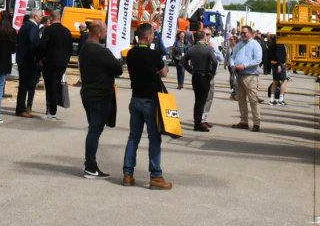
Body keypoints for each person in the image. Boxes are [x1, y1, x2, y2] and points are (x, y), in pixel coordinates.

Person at [122, 21, 172, 189]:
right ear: (148, 36)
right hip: (150, 100)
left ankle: (128, 174)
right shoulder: (153, 55)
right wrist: (159, 69)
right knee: (154, 138)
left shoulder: (130, 53)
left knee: (133, 137)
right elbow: (164, 72)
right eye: (152, 34)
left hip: (135, 98)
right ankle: (156, 176)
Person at [78, 19, 123, 178]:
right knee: (94, 131)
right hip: (100, 96)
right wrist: (118, 58)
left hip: (88, 93)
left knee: (93, 129)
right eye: (104, 32)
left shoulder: (84, 49)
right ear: (98, 33)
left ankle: (91, 164)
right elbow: (118, 69)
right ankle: (90, 166)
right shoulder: (101, 51)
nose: (106, 35)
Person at [37, 14, 73, 119]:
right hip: (62, 63)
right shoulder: (67, 31)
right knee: (56, 85)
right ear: (60, 19)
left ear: (51, 19)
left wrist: (39, 58)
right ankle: (53, 111)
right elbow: (70, 49)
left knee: (50, 86)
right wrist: (66, 61)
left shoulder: (48, 30)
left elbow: (42, 46)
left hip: (50, 62)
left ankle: (51, 112)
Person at [183, 30, 217, 132]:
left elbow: (183, 61)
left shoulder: (191, 49)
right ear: (204, 38)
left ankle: (197, 122)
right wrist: (212, 73)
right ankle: (198, 124)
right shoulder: (208, 49)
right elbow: (215, 61)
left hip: (195, 76)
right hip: (205, 76)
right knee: (202, 101)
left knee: (198, 100)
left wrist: (191, 70)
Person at [230, 25, 262, 131]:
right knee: (241, 100)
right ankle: (244, 122)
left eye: (245, 33)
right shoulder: (239, 44)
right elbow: (232, 57)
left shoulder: (255, 44)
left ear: (251, 33)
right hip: (239, 75)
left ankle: (256, 123)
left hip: (250, 76)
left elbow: (257, 60)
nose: (243, 35)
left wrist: (244, 65)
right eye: (241, 33)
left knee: (253, 100)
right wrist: (232, 64)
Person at [16, 9, 43, 117]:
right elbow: (32, 41)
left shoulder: (24, 25)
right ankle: (21, 109)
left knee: (22, 85)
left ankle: (20, 108)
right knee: (25, 85)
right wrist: (36, 56)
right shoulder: (33, 27)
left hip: (22, 58)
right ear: (36, 16)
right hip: (28, 60)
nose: (41, 19)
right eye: (40, 17)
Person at [267, 36, 288, 105]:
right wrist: (279, 65)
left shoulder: (272, 43)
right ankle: (281, 99)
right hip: (279, 64)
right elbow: (278, 54)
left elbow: (270, 54)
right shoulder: (279, 43)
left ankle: (272, 99)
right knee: (284, 81)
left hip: (273, 63)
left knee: (275, 81)